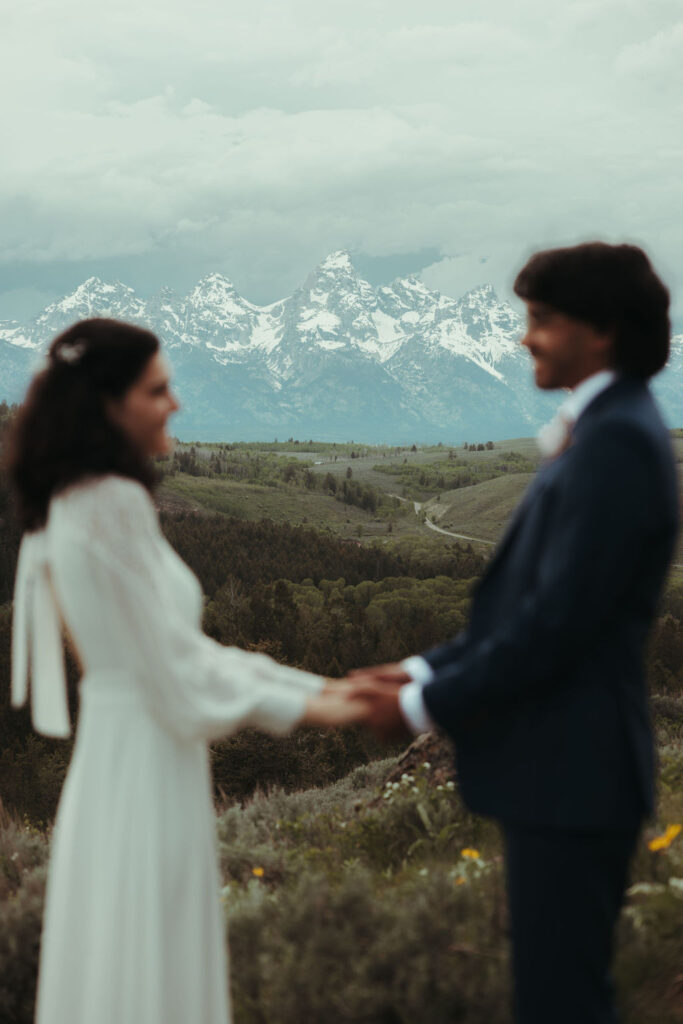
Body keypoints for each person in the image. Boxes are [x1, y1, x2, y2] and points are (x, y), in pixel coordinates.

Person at [348, 242, 680, 1023]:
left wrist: (424, 706)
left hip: (574, 767)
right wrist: (416, 671)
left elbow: (557, 625)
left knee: (561, 1001)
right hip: (563, 768)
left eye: (538, 319)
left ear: (597, 330)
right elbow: (526, 610)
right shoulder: (605, 429)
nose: (523, 337)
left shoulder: (617, 442)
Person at [6, 318, 367, 1024]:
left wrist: (321, 687)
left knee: (120, 960)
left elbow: (180, 653)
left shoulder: (69, 499)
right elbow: (177, 674)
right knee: (154, 961)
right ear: (109, 405)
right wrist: (322, 708)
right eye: (159, 389)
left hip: (115, 758)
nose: (176, 403)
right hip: (145, 760)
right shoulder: (112, 501)